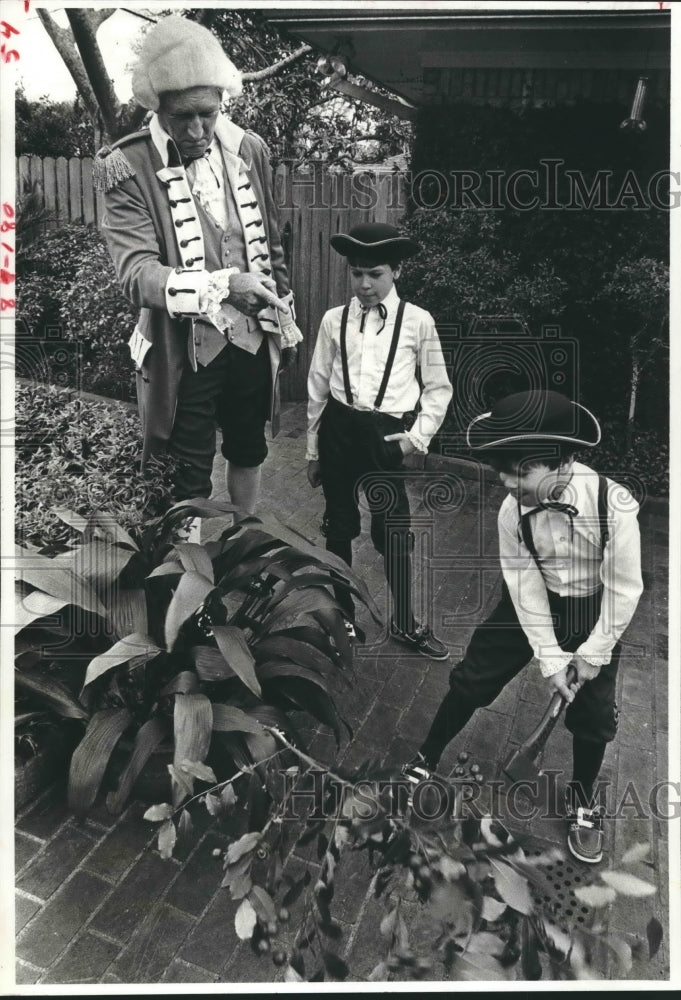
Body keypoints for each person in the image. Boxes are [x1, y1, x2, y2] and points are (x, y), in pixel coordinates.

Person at [404, 389, 643, 863]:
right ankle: (427, 755)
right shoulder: (511, 511)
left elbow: (624, 588)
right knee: (472, 678)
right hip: (529, 605)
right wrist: (551, 659)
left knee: (594, 714)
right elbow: (524, 585)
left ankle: (582, 799)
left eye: (522, 470)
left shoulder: (613, 506)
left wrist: (593, 654)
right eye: (503, 469)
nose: (508, 481)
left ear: (564, 461)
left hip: (594, 610)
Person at [96, 16, 302, 520]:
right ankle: (182, 560)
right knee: (185, 469)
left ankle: (241, 540)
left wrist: (285, 321)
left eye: (206, 114)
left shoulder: (249, 150)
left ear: (221, 102)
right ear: (158, 107)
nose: (195, 131)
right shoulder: (126, 165)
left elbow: (271, 246)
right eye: (181, 116)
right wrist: (223, 287)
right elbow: (137, 274)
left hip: (252, 338)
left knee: (249, 446)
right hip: (185, 350)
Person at [306, 223, 453, 659]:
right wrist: (313, 450)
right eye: (357, 273)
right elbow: (317, 385)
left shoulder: (418, 322)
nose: (365, 284)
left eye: (376, 274)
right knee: (338, 528)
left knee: (394, 533)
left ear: (396, 272)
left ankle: (405, 622)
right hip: (337, 432)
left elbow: (439, 388)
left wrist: (414, 440)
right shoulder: (334, 320)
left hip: (384, 438)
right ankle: (344, 620)